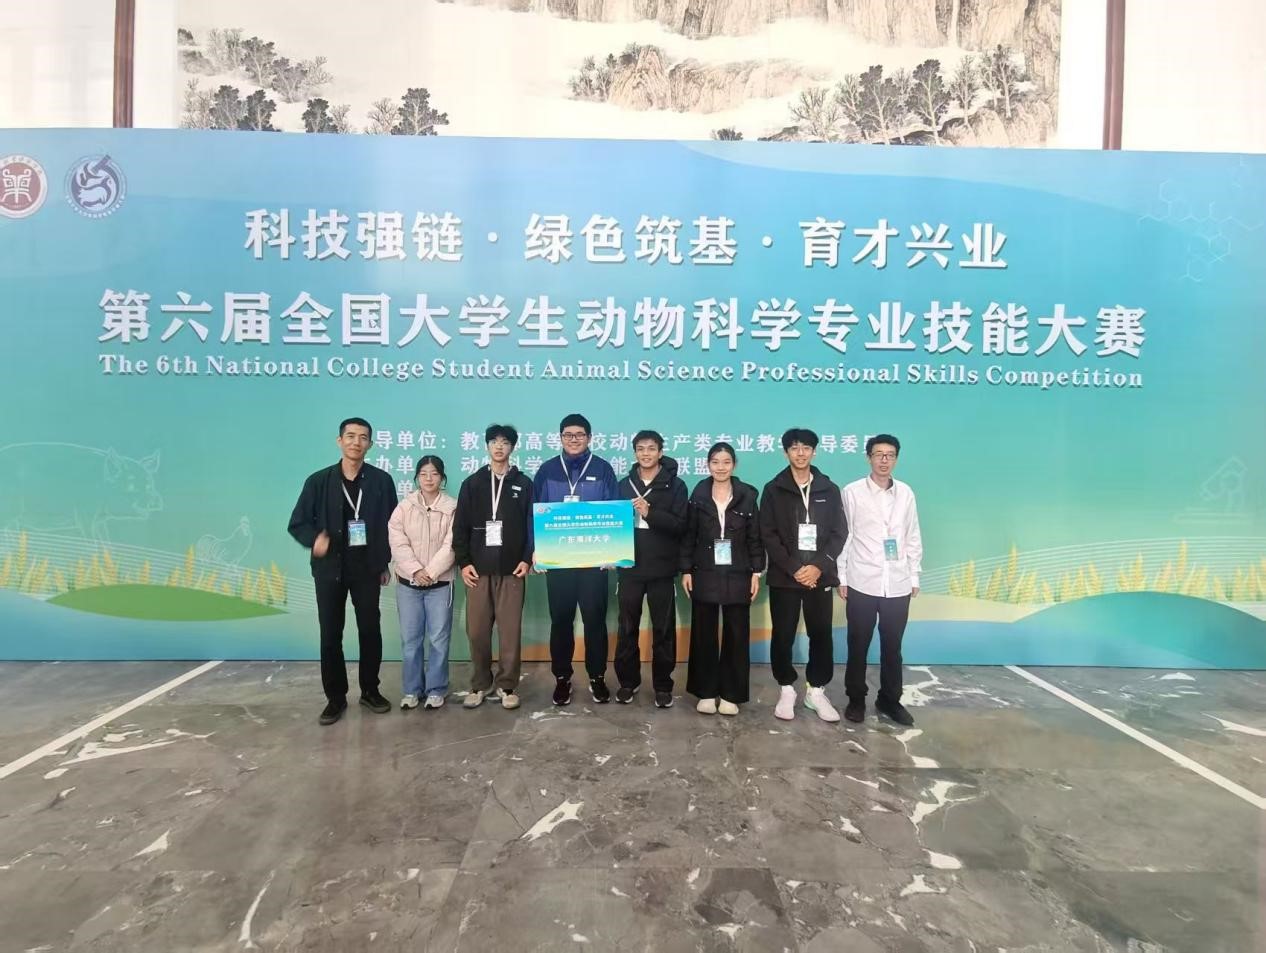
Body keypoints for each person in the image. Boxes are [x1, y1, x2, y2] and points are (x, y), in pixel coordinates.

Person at [288, 417, 399, 725]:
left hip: (367, 569)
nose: (356, 442)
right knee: (330, 634)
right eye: (350, 436)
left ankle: (370, 690)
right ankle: (335, 698)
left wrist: (384, 563)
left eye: (363, 437)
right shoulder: (318, 481)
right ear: (339, 441)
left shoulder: (381, 481)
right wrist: (314, 540)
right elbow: (297, 523)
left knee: (370, 631)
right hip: (329, 570)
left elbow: (392, 526)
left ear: (370, 444)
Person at [760, 428, 847, 723]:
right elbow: (768, 534)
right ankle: (786, 688)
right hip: (786, 577)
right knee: (782, 634)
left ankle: (816, 691)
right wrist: (794, 568)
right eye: (795, 448)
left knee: (820, 634)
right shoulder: (773, 489)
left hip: (819, 577)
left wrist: (818, 566)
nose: (800, 453)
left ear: (814, 451)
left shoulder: (829, 489)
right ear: (785, 452)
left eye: (806, 448)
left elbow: (839, 532)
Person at [532, 413, 620, 706]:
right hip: (558, 561)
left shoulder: (603, 469)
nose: (574, 439)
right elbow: (534, 511)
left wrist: (613, 551)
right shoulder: (547, 470)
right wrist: (536, 549)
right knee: (561, 621)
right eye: (568, 434)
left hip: (594, 563)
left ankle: (597, 677)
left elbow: (613, 512)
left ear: (589, 438)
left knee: (595, 620)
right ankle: (562, 678)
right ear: (560, 438)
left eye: (579, 434)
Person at [837, 434, 923, 726]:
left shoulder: (906, 493)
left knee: (892, 646)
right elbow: (845, 535)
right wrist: (842, 575)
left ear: (896, 458)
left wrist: (913, 575)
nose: (884, 460)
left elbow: (912, 536)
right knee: (858, 643)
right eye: (878, 454)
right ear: (868, 457)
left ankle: (889, 700)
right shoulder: (852, 492)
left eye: (890, 455)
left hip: (897, 582)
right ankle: (855, 699)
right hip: (862, 580)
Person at [452, 424, 534, 711]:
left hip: (512, 570)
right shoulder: (472, 483)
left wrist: (527, 558)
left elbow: (531, 525)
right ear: (487, 446)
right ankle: (480, 684)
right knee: (477, 631)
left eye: (505, 442)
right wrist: (464, 563)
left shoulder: (523, 483)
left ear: (512, 447)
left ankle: (507, 686)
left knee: (509, 633)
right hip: (478, 571)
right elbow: (460, 527)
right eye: (494, 442)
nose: (499, 446)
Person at [681, 442, 764, 715]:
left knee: (736, 634)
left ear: (734, 465)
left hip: (738, 572)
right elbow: (689, 536)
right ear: (708, 465)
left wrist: (756, 572)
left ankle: (731, 694)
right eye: (715, 462)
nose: (721, 467)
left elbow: (755, 538)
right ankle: (705, 692)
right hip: (704, 571)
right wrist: (686, 570)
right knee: (703, 632)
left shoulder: (748, 496)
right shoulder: (698, 495)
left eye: (726, 462)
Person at [613, 430, 688, 708]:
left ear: (660, 452)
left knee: (663, 631)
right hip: (629, 569)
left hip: (662, 570)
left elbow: (681, 526)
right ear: (635, 453)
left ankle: (663, 686)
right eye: (641, 448)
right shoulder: (623, 485)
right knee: (627, 629)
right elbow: (612, 525)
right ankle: (627, 682)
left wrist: (650, 512)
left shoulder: (676, 485)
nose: (646, 453)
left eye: (651, 448)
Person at [387, 456, 457, 711]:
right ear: (416, 477)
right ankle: (411, 690)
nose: (429, 478)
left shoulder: (452, 507)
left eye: (434, 473)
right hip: (409, 584)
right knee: (411, 640)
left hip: (440, 585)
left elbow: (452, 544)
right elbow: (397, 541)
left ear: (442, 478)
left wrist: (431, 571)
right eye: (424, 473)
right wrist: (416, 570)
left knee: (439, 639)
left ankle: (436, 690)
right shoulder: (404, 507)